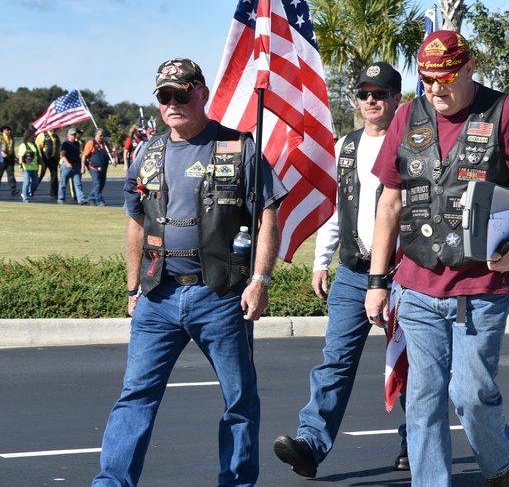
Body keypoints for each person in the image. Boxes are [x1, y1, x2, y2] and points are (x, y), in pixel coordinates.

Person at [364, 31, 509, 487]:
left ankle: (500, 462)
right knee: (424, 398)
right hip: (416, 285)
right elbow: (390, 203)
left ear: (469, 68)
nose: (435, 90)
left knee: (470, 394)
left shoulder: (505, 112)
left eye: (445, 79)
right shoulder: (407, 116)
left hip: (482, 286)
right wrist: (377, 282)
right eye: (427, 80)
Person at [93, 58, 287, 487]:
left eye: (182, 94)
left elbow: (268, 215)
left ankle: (235, 482)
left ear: (202, 92)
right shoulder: (148, 151)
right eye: (165, 96)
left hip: (219, 295)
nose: (173, 103)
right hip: (158, 297)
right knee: (135, 396)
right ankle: (111, 483)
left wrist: (261, 280)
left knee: (238, 400)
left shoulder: (239, 147)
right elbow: (136, 222)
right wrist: (132, 289)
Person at [273, 61, 409, 478]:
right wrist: (320, 259)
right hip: (352, 271)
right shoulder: (345, 146)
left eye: (380, 93)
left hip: (404, 273)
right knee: (335, 361)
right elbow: (337, 207)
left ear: (395, 99)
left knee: (410, 364)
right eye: (365, 94)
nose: (371, 100)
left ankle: (415, 441)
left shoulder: (413, 143)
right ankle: (311, 445)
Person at [82, 128, 114, 206]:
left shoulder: (106, 144)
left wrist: (113, 160)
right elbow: (84, 156)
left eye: (103, 136)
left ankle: (91, 198)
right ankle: (100, 201)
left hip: (103, 168)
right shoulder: (91, 143)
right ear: (96, 135)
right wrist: (82, 167)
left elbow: (110, 154)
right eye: (100, 136)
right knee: (97, 184)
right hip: (94, 168)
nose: (102, 137)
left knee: (101, 185)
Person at [58, 127, 86, 205]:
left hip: (76, 166)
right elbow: (62, 155)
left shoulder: (77, 143)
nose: (74, 136)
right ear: (68, 135)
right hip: (67, 166)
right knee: (63, 184)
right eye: (72, 134)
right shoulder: (65, 144)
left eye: (74, 134)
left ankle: (81, 199)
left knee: (78, 183)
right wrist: (67, 163)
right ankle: (61, 199)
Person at [16, 128, 42, 202]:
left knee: (36, 182)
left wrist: (42, 163)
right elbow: (20, 156)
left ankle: (26, 192)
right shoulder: (23, 145)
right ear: (28, 136)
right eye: (33, 136)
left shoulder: (34, 145)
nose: (34, 137)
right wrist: (20, 166)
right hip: (26, 167)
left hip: (34, 167)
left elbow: (38, 155)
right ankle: (25, 198)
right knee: (26, 182)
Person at [36, 129, 61, 199]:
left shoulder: (56, 136)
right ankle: (30, 190)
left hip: (53, 159)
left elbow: (58, 148)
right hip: (44, 159)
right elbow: (38, 146)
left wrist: (59, 158)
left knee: (54, 176)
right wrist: (40, 157)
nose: (53, 129)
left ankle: (54, 193)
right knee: (40, 175)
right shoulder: (43, 135)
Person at [0, 124, 16, 196]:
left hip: (10, 158)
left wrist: (14, 157)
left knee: (11, 175)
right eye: (7, 130)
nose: (9, 131)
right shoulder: (1, 137)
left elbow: (12, 148)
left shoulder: (11, 138)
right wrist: (1, 152)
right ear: (3, 130)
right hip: (1, 159)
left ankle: (13, 190)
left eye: (10, 130)